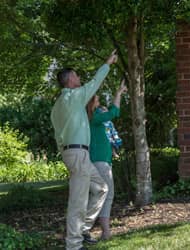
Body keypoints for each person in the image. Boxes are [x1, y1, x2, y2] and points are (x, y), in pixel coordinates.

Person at [50, 50, 118, 250]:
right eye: (77, 76)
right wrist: (108, 63)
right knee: (78, 201)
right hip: (78, 154)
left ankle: (83, 229)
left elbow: (57, 133)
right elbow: (95, 82)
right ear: (70, 79)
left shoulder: (57, 107)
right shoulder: (74, 97)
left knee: (102, 188)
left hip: (75, 154)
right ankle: (74, 245)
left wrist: (65, 152)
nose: (80, 79)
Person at [87, 79, 127, 240]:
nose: (98, 100)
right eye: (96, 99)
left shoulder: (94, 116)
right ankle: (97, 231)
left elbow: (112, 113)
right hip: (100, 162)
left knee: (100, 195)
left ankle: (100, 231)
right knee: (105, 195)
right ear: (91, 102)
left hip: (101, 161)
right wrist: (118, 93)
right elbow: (113, 113)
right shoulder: (94, 117)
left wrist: (118, 94)